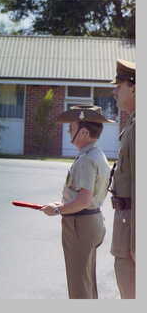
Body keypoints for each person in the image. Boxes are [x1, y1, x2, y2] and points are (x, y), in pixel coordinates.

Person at [40, 105, 112, 299]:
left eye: (72, 127)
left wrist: (57, 210)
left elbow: (83, 200)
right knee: (87, 282)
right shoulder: (97, 154)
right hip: (91, 220)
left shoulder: (86, 160)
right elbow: (82, 197)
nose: (68, 130)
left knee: (79, 284)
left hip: (80, 224)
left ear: (84, 132)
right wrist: (61, 205)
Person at [109, 59, 135, 299]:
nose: (114, 90)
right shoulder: (133, 123)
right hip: (126, 229)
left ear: (135, 87)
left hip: (133, 237)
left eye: (119, 85)